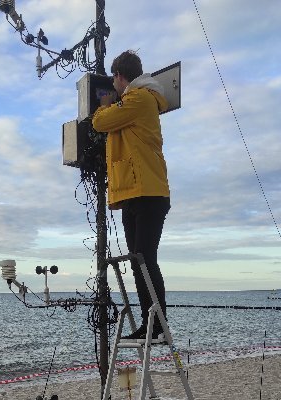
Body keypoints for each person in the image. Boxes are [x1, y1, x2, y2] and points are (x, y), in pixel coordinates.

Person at [92, 50, 170, 341]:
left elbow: (100, 122)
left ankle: (159, 326)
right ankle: (148, 325)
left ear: (121, 76)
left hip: (149, 192)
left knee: (145, 258)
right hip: (136, 193)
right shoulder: (135, 100)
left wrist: (102, 105)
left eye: (115, 77)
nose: (113, 83)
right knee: (139, 262)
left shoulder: (139, 99)